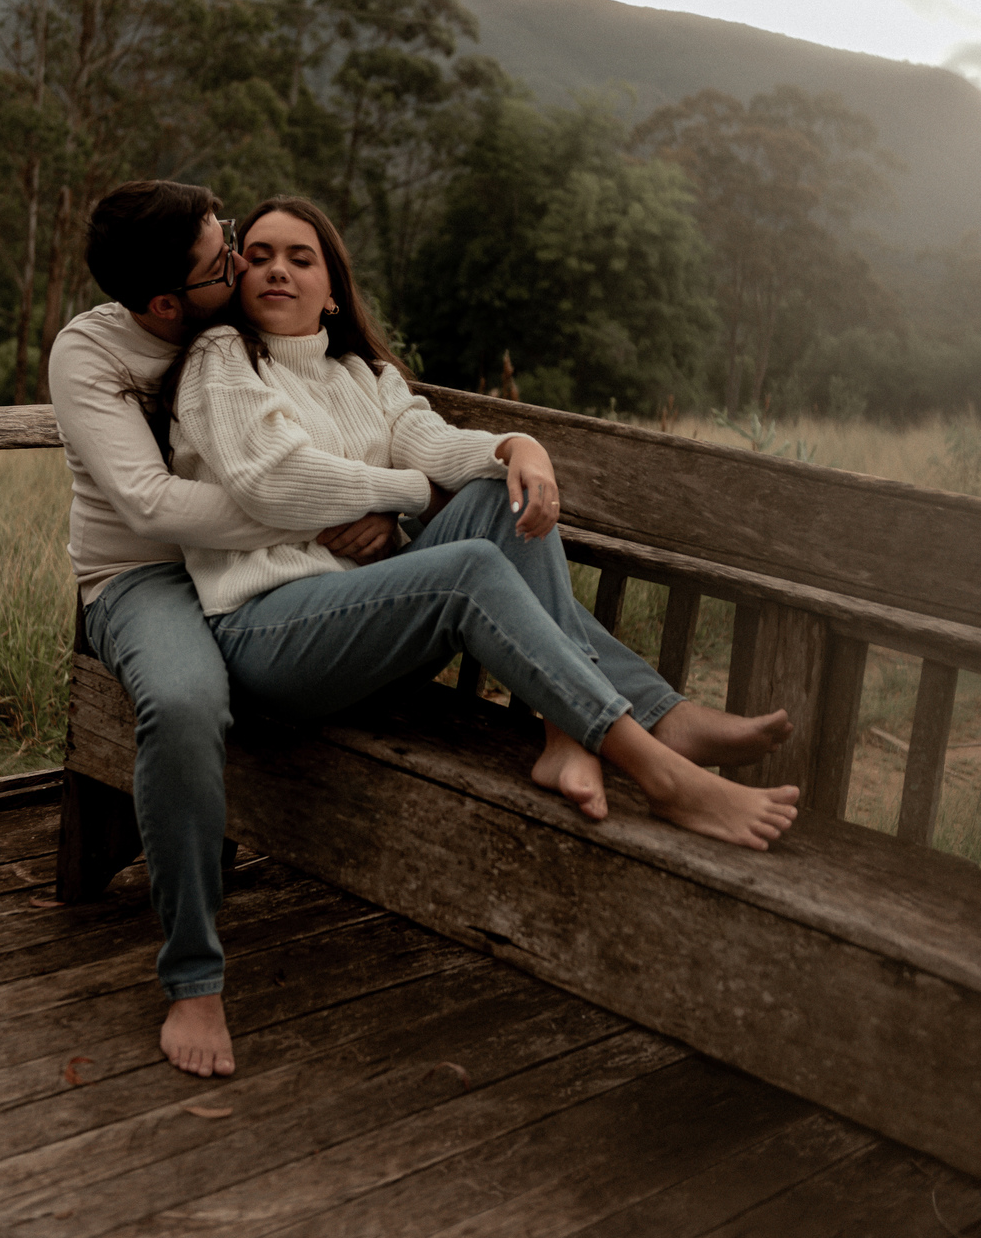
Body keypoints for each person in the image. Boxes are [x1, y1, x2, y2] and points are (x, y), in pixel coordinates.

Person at [159, 195, 799, 1071]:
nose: (276, 268)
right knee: (465, 566)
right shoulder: (222, 361)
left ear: (333, 290)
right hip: (269, 637)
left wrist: (518, 445)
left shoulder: (365, 378)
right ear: (238, 279)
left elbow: (438, 443)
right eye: (259, 254)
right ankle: (660, 765)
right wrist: (403, 496)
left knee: (502, 500)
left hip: (363, 630)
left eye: (301, 257)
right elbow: (274, 481)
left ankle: (580, 733)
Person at [49, 181, 397, 1082]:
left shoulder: (237, 322)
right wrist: (317, 515)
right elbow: (151, 503)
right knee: (183, 700)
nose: (243, 263)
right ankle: (194, 978)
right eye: (222, 261)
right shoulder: (90, 352)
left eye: (231, 237)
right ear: (168, 303)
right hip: (145, 576)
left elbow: (339, 423)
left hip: (264, 566)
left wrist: (381, 500)